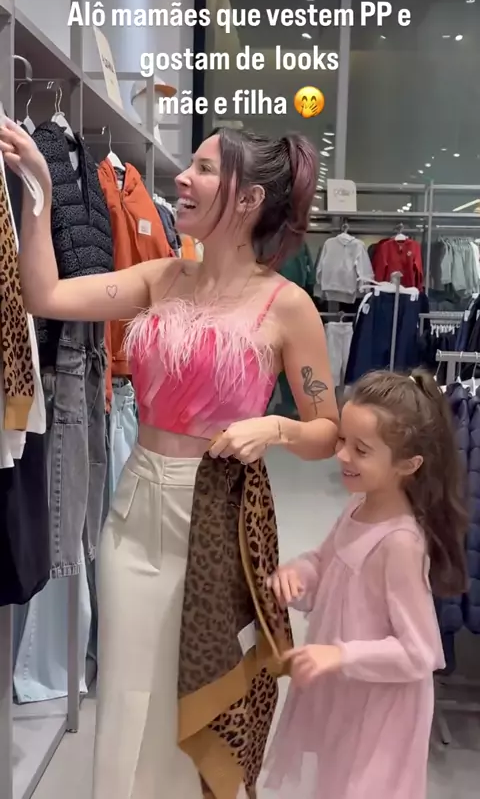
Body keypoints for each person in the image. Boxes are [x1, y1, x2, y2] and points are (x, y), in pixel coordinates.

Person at [0, 120, 339, 799]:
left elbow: (326, 430)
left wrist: (273, 426)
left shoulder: (288, 306)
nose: (183, 178)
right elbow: (46, 296)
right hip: (135, 510)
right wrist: (38, 188)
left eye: (206, 169)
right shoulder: (163, 277)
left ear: (249, 199)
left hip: (216, 517)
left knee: (193, 693)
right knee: (126, 696)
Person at [267, 369, 468, 799]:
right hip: (349, 692)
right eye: (342, 440)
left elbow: (419, 651)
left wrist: (340, 654)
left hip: (382, 708)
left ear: (408, 465)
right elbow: (325, 563)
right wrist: (298, 574)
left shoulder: (400, 543)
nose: (341, 455)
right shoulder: (358, 508)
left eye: (360, 450)